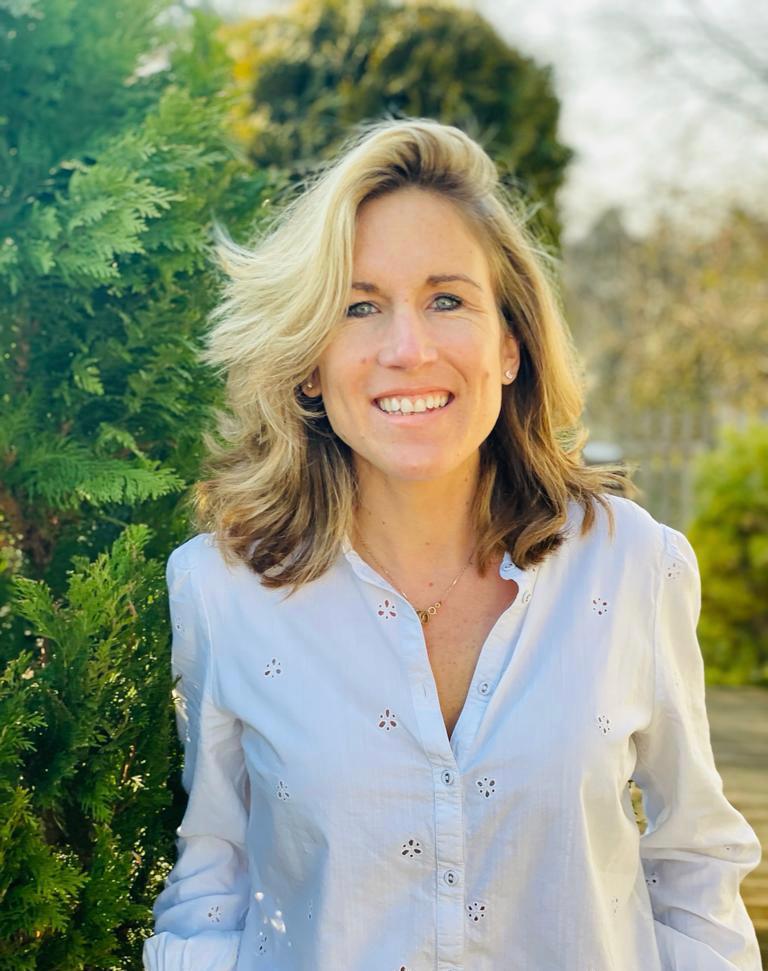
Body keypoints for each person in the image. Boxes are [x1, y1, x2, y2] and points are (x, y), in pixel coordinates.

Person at [142, 117, 763, 971]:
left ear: (509, 344)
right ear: (310, 362)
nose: (409, 348)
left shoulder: (633, 565)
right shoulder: (221, 591)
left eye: (447, 300)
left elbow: (694, 865)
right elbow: (214, 878)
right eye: (359, 306)